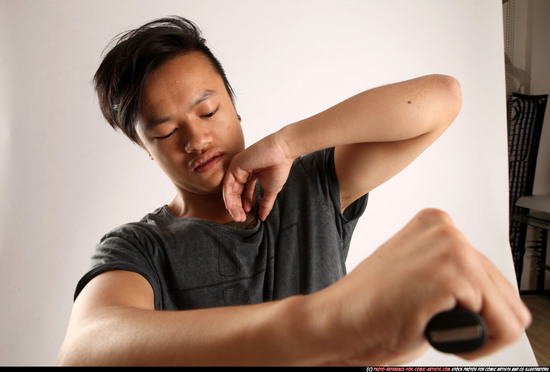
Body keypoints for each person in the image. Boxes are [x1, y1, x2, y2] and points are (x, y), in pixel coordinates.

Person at [57, 16, 531, 366]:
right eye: (164, 132)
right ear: (147, 149)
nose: (196, 139)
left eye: (207, 112)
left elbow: (442, 98)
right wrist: (327, 321)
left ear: (235, 107)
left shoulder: (309, 185)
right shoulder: (140, 246)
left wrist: (288, 142)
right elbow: (85, 349)